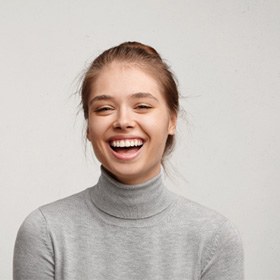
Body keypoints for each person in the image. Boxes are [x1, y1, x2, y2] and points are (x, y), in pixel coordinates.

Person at [13, 42, 244, 280]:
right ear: (89, 127)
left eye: (142, 106)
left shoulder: (214, 238)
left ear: (172, 120)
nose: (123, 121)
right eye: (104, 109)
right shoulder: (45, 231)